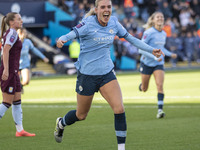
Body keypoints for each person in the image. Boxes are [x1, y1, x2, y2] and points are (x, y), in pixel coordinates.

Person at [54, 1, 164, 150]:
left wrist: (151, 50)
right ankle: (61, 123)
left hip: (106, 73)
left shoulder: (114, 22)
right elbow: (72, 33)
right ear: (96, 9)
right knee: (81, 115)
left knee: (119, 109)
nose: (107, 10)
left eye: (109, 7)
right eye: (103, 7)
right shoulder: (87, 23)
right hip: (87, 75)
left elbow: (131, 38)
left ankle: (121, 148)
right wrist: (63, 39)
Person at [0, 12, 35, 137]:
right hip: (9, 72)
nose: (21, 21)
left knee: (17, 101)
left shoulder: (11, 33)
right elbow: (5, 50)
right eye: (19, 19)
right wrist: (6, 70)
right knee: (7, 102)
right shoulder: (12, 33)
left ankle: (20, 130)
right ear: (11, 22)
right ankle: (19, 130)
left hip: (14, 72)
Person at [138, 12, 177, 119]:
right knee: (145, 88)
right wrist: (154, 57)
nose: (160, 18)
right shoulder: (148, 32)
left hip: (158, 63)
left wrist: (170, 54)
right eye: (158, 17)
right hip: (146, 63)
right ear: (153, 20)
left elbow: (161, 48)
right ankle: (141, 86)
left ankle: (160, 110)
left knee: (159, 85)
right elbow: (141, 48)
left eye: (161, 17)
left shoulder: (163, 33)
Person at [17, 28, 49, 92]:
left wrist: (43, 57)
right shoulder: (15, 42)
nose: (26, 34)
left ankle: (20, 86)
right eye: (24, 32)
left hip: (25, 64)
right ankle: (17, 91)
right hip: (15, 65)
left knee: (26, 81)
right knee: (14, 82)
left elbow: (35, 50)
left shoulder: (27, 42)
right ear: (20, 33)